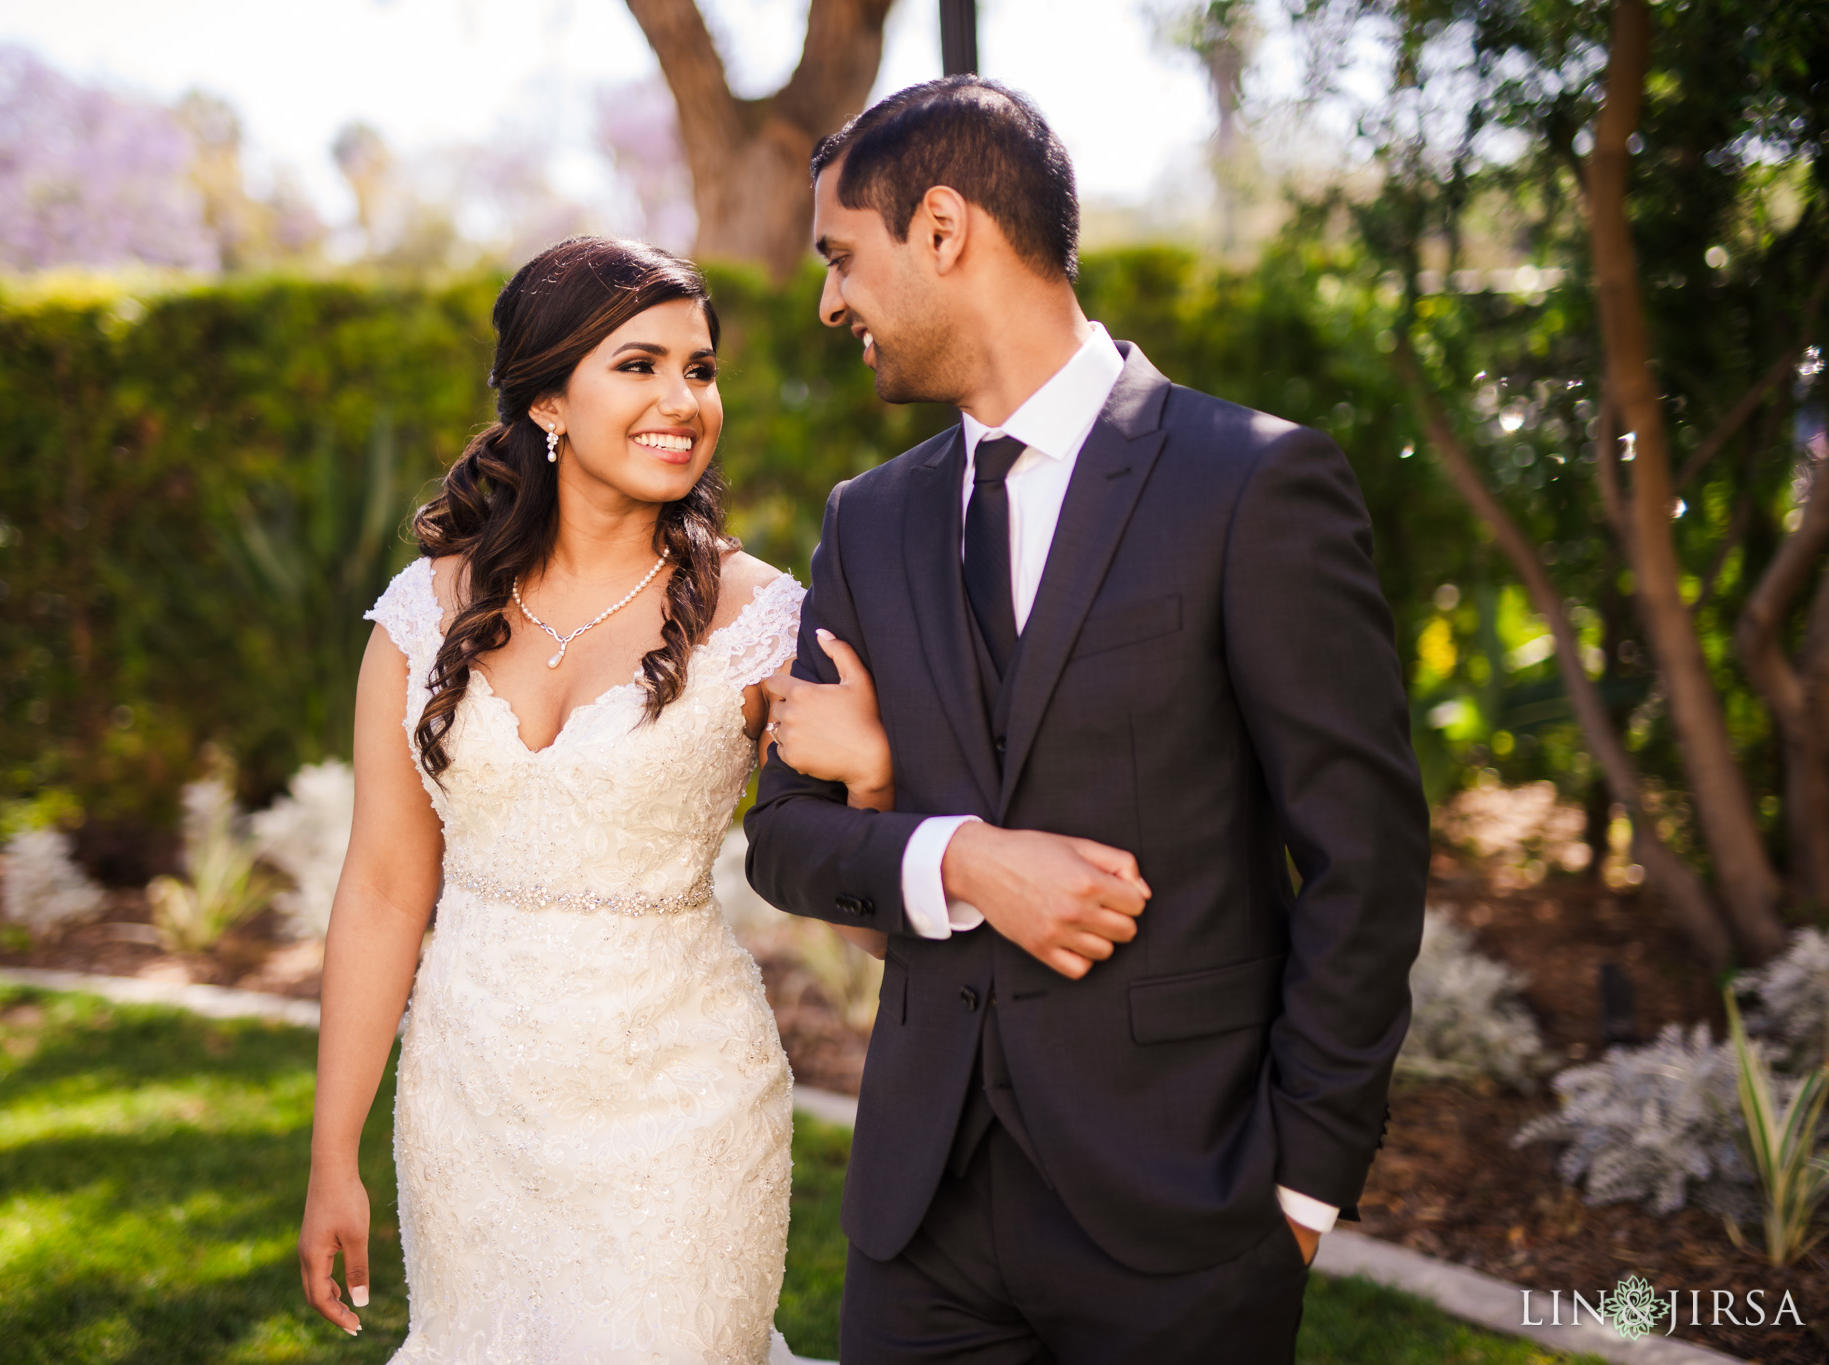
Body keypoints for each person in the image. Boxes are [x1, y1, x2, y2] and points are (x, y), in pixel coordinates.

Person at [745, 77, 1429, 1363]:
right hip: (923, 1224)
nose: (829, 300)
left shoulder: (1251, 484)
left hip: (1185, 1218)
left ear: (942, 228)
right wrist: (950, 854)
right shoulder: (868, 520)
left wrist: (1298, 1190)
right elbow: (782, 838)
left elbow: (1366, 858)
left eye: (842, 257)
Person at [297, 236, 874, 1363]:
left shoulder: (762, 618)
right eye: (640, 366)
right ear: (549, 400)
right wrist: (333, 1153)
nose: (681, 400)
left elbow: (848, 866)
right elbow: (379, 890)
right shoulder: (424, 615)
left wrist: (875, 770)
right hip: (469, 1101)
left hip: (683, 1103)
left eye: (700, 370)